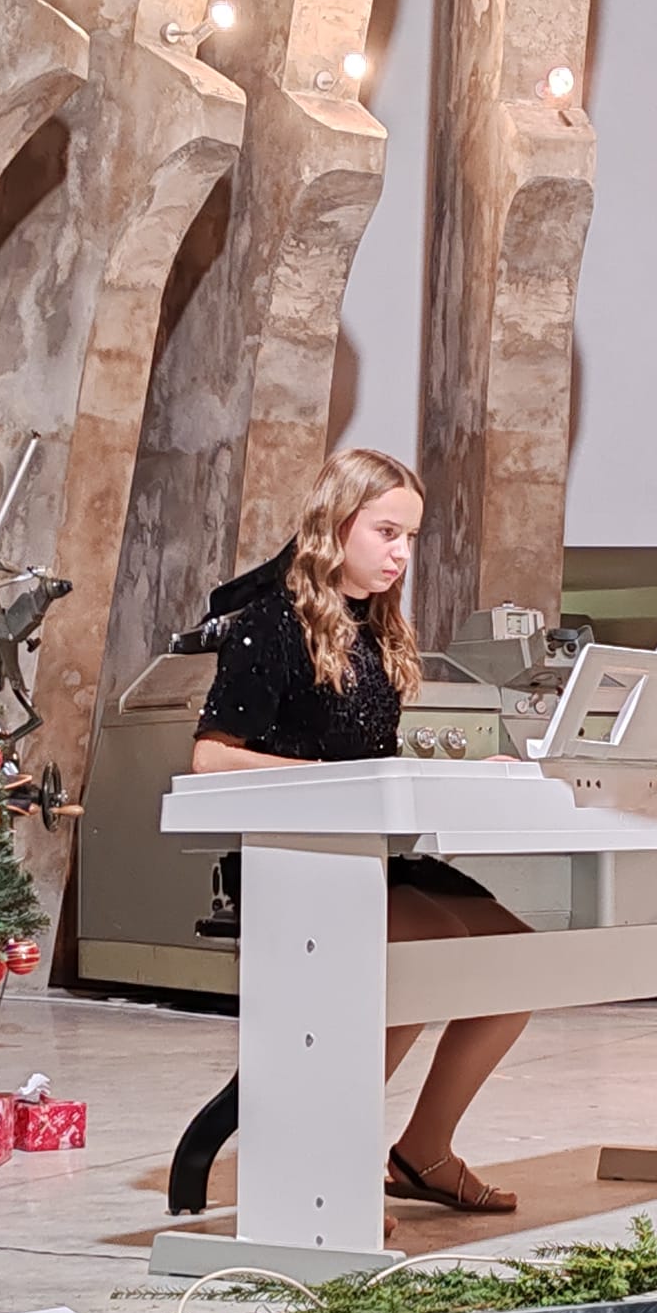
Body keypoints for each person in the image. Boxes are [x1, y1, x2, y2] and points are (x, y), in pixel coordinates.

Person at [190, 447, 528, 1216]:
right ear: (336, 523)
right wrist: (327, 781)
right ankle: (320, 1152)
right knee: (423, 951)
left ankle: (423, 1151)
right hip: (292, 858)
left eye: (409, 537)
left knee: (517, 960)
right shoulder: (270, 624)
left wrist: (463, 774)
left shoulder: (374, 629)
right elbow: (211, 757)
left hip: (369, 856)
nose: (400, 554)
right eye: (386, 532)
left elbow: (370, 759)